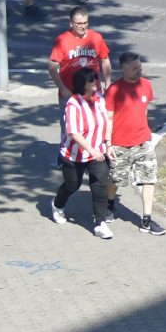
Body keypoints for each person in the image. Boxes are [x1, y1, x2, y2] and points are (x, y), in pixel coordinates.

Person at [51, 67, 117, 240]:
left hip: (98, 153)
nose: (95, 81)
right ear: (82, 83)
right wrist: (90, 149)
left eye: (95, 77)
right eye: (90, 79)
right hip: (75, 155)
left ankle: (100, 223)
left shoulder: (101, 100)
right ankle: (57, 205)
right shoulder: (73, 104)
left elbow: (108, 121)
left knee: (100, 185)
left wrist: (108, 144)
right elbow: (73, 132)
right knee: (72, 185)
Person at [106, 53, 164, 237]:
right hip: (119, 144)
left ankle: (146, 219)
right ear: (123, 69)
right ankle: (109, 203)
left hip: (143, 142)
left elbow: (144, 111)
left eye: (140, 67)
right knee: (116, 180)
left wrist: (146, 134)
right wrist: (108, 144)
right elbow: (108, 118)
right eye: (134, 68)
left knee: (149, 179)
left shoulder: (146, 85)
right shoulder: (114, 90)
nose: (139, 70)